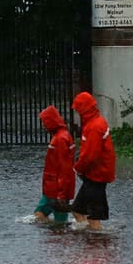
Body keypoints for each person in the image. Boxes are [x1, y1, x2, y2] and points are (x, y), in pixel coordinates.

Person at [70, 91, 116, 230]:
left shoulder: (93, 127)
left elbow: (90, 156)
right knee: (78, 210)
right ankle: (89, 236)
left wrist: (78, 168)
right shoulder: (96, 122)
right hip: (96, 175)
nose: (77, 113)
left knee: (93, 217)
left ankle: (96, 239)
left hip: (96, 176)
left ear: (83, 109)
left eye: (78, 110)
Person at [34, 105, 76, 225]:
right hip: (53, 188)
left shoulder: (60, 139)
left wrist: (61, 194)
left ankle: (59, 232)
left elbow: (64, 168)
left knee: (58, 221)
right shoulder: (62, 136)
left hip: (56, 189)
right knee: (40, 215)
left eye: (44, 122)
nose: (43, 125)